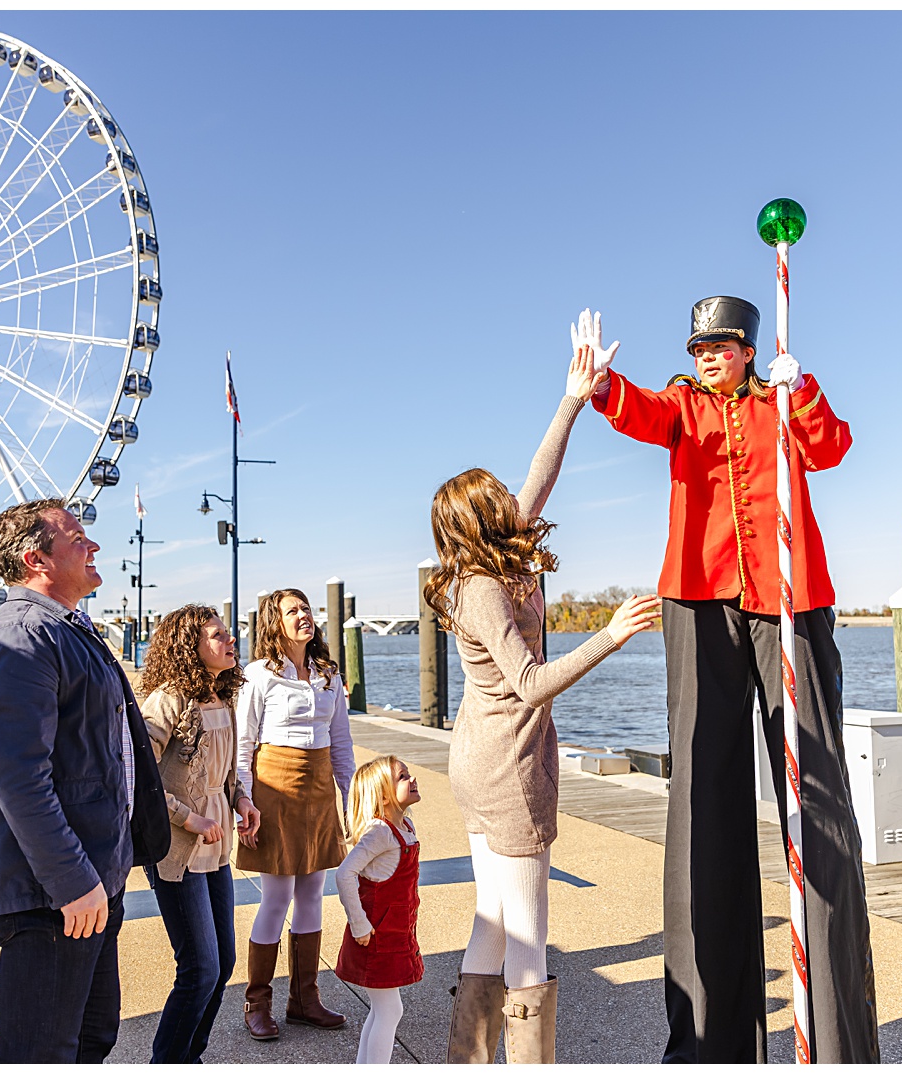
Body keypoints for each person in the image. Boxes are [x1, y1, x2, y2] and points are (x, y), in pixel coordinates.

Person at [585, 299, 879, 1062]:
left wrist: (803, 388)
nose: (709, 355)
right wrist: (599, 384)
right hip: (698, 599)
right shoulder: (682, 403)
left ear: (749, 350)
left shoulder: (781, 399)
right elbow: (639, 413)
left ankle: (841, 1042)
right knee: (704, 802)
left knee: (818, 800)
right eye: (699, 346)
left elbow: (832, 448)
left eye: (721, 346)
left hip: (790, 600)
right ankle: (713, 1045)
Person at [426, 341, 661, 1064]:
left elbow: (541, 473)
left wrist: (573, 396)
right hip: (507, 766)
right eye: (496, 499)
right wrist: (610, 636)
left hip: (478, 758)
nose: (511, 499)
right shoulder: (485, 588)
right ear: (479, 519)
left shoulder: (493, 558)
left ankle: (466, 1059)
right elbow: (529, 684)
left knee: (493, 919)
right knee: (527, 934)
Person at [0, 498, 169, 1063]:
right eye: (78, 538)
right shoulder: (23, 638)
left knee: (90, 1037)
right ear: (37, 559)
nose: (94, 545)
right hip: (52, 893)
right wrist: (72, 881)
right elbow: (19, 777)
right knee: (42, 1052)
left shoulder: (66, 630)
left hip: (92, 878)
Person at [139, 605, 262, 1063]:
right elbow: (138, 774)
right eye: (217, 635)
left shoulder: (224, 697)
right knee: (199, 968)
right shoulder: (167, 699)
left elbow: (228, 770)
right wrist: (190, 819)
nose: (230, 641)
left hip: (218, 844)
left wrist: (242, 801)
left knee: (223, 964)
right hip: (178, 848)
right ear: (190, 646)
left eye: (228, 633)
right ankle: (167, 1062)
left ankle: (191, 1056)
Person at [234, 588, 355, 1041]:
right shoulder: (257, 675)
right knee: (277, 896)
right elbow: (243, 747)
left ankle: (305, 1000)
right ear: (274, 622)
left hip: (319, 789)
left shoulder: (327, 674)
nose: (305, 616)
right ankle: (257, 1002)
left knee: (312, 893)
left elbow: (341, 743)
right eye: (294, 611)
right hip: (274, 790)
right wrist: (243, 801)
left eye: (307, 608)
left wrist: (351, 800)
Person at [334, 754, 425, 1064]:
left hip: (395, 932)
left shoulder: (404, 825)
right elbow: (344, 873)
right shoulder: (381, 832)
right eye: (402, 776)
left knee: (385, 1008)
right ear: (384, 795)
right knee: (389, 1009)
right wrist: (359, 924)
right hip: (376, 937)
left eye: (409, 773)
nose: (412, 778)